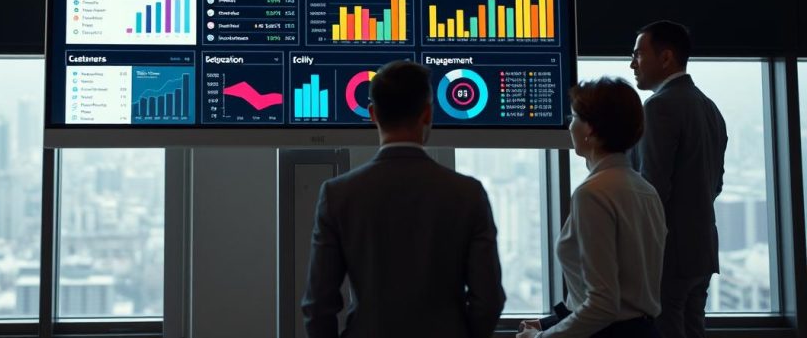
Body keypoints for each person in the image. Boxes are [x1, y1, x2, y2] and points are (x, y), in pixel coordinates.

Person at [301, 60, 505, 338]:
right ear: (428, 113)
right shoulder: (468, 194)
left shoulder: (338, 194)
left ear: (372, 114)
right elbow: (488, 299)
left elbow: (318, 305)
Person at [517, 78, 666, 338]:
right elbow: (625, 296)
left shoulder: (593, 194)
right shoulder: (645, 190)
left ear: (591, 129)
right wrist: (551, 322)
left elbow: (603, 305)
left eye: (574, 117)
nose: (569, 124)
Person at [628, 21, 727, 338]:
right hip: (701, 249)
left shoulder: (659, 106)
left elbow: (652, 187)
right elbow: (716, 185)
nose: (632, 64)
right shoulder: (710, 108)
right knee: (693, 327)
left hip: (668, 252)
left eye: (638, 55)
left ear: (666, 57)